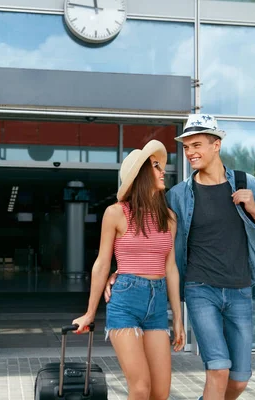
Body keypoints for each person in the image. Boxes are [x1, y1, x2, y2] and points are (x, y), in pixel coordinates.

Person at [105, 114, 255, 400]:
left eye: (196, 145)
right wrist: (119, 270)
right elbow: (148, 234)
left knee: (239, 380)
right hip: (200, 289)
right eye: (186, 147)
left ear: (216, 145)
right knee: (218, 369)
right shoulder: (179, 195)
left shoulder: (247, 183)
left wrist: (253, 207)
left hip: (240, 289)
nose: (190, 152)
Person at [73, 139, 186, 400]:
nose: (162, 172)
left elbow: (171, 268)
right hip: (125, 300)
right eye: (156, 167)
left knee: (160, 392)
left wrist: (179, 319)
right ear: (141, 174)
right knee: (140, 387)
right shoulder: (115, 213)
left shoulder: (169, 218)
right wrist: (90, 313)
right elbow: (102, 263)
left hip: (157, 306)